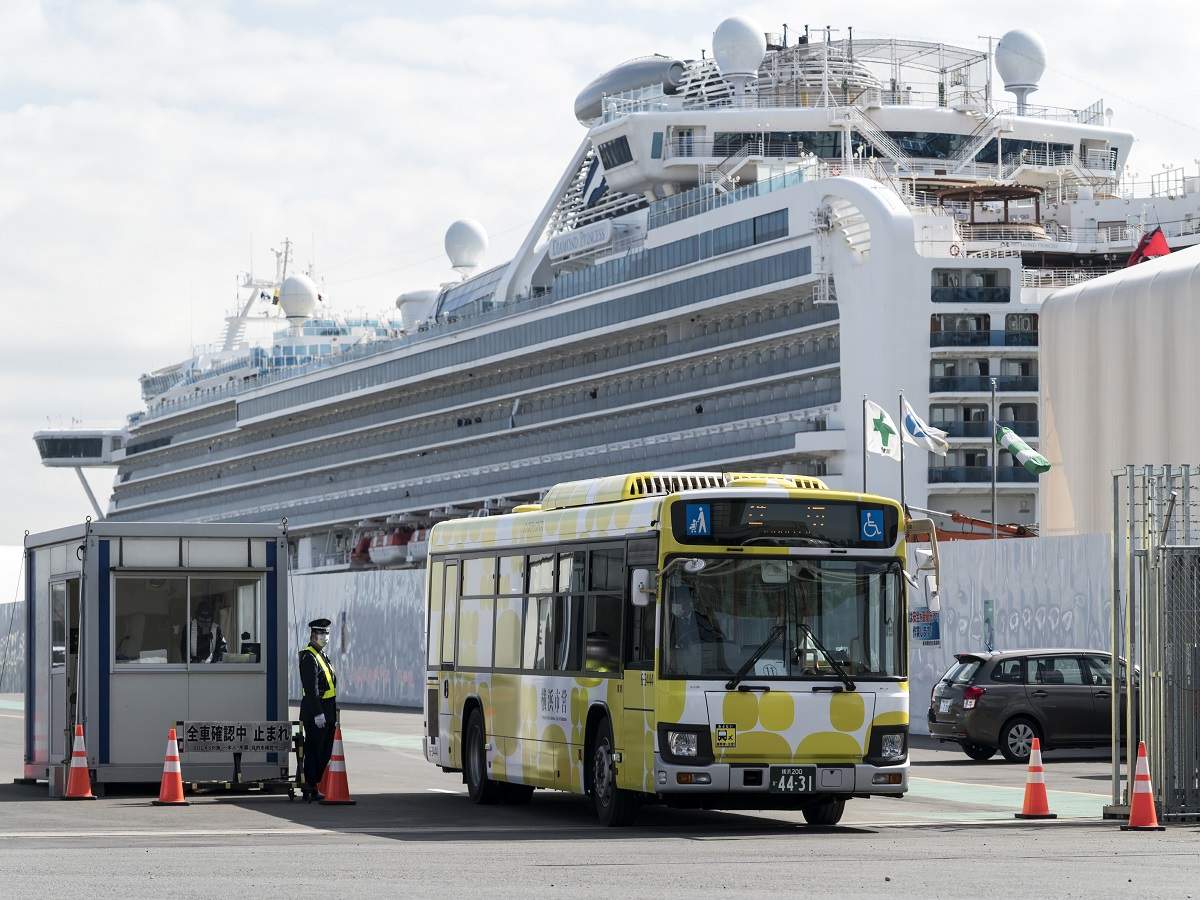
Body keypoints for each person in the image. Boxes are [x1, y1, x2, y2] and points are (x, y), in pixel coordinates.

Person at [298, 617, 338, 802]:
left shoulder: (321, 655)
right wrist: (318, 713)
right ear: (313, 635)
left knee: (325, 750)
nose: (326, 637)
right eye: (322, 633)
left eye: (327, 633)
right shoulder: (308, 657)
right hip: (317, 711)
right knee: (314, 749)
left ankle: (316, 783)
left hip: (327, 710)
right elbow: (311, 688)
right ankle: (310, 785)